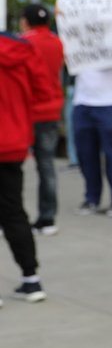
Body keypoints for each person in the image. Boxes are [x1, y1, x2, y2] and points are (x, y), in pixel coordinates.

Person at [0, 30, 56, 305]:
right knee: (13, 212)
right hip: (12, 142)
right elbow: (44, 91)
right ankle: (31, 279)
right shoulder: (23, 49)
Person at [72, 7, 112, 218]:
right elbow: (62, 37)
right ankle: (91, 198)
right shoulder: (77, 37)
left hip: (108, 103)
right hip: (82, 102)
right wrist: (60, 17)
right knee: (86, 154)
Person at [19, 4, 65, 236]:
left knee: (10, 168)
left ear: (25, 21)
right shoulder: (57, 42)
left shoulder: (22, 43)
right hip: (50, 111)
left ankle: (10, 217)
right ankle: (47, 219)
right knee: (46, 165)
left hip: (24, 113)